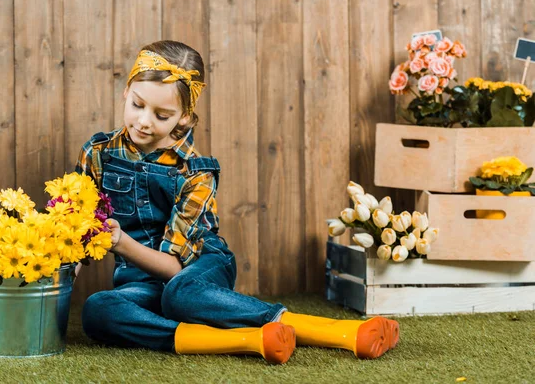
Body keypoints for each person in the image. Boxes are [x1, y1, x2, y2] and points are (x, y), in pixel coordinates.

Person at [76, 40, 399, 364]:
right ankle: (243, 340)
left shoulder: (194, 172)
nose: (144, 121)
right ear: (126, 91)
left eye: (162, 115)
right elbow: (76, 230)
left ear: (185, 118)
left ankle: (338, 331)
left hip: (197, 268)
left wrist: (120, 242)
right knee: (99, 310)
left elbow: (174, 268)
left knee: (179, 294)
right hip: (142, 285)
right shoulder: (97, 153)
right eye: (137, 104)